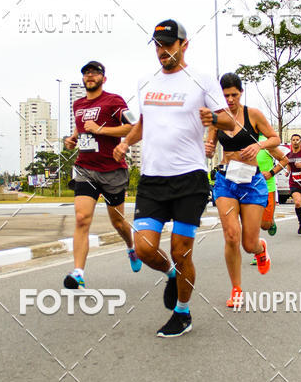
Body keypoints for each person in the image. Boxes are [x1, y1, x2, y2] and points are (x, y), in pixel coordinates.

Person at [113, 20, 232, 337]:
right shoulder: (145, 81)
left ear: (184, 44)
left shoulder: (202, 80)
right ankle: (169, 273)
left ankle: (182, 312)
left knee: (182, 251)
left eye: (168, 43)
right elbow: (143, 123)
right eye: (157, 44)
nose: (162, 50)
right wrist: (126, 142)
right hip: (153, 180)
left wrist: (214, 118)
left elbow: (230, 121)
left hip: (189, 180)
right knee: (144, 248)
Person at [204, 74, 288, 309]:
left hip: (251, 183)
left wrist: (258, 144)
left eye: (234, 94)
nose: (230, 99)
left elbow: (275, 138)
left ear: (241, 93)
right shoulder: (217, 117)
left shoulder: (254, 115)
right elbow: (210, 149)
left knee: (248, 244)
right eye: (226, 95)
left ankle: (260, 249)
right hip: (226, 182)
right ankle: (236, 289)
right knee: (231, 235)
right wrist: (209, 149)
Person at [63, 61, 141, 289]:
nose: (90, 76)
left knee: (118, 222)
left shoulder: (114, 101)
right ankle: (78, 272)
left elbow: (134, 126)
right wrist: (72, 140)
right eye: (86, 73)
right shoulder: (77, 104)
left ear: (103, 79)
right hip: (86, 169)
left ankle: (131, 247)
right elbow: (81, 129)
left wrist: (101, 129)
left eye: (95, 73)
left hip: (112, 171)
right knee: (81, 218)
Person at [278, 133, 301, 235]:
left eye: (297, 140)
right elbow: (289, 165)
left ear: (300, 141)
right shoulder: (288, 155)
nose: (295, 141)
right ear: (291, 142)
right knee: (298, 202)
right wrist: (288, 171)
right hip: (294, 183)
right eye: (293, 140)